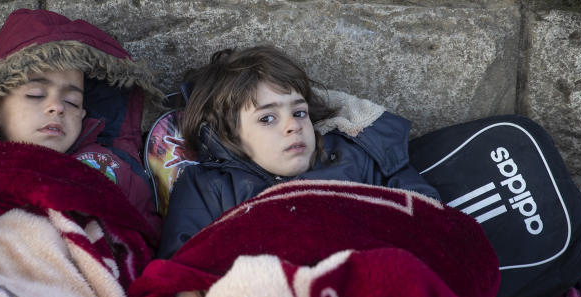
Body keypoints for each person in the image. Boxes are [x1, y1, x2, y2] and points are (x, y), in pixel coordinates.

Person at [158, 44, 439, 257]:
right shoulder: (210, 186)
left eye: (300, 112)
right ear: (229, 135)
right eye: (267, 118)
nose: (293, 125)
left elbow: (426, 213)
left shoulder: (353, 156)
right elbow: (185, 266)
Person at [0, 8, 162, 231]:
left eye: (72, 101)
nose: (57, 107)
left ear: (83, 113)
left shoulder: (109, 169)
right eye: (36, 95)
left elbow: (143, 235)